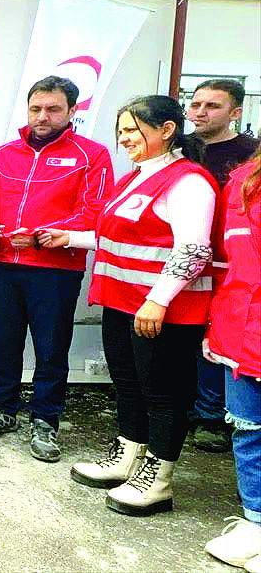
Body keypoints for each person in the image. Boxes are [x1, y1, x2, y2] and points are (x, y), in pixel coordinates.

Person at [42, 95, 216, 516]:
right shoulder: (135, 177)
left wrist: (157, 301)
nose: (124, 139)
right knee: (129, 384)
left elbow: (194, 250)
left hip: (162, 310)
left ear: (167, 130)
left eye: (132, 130)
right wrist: (72, 239)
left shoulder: (188, 181)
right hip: (122, 303)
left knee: (161, 392)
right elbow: (117, 233)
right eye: (120, 131)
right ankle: (129, 456)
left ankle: (158, 478)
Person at [0, 75, 114, 463]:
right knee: (5, 341)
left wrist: (44, 235)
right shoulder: (3, 154)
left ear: (72, 111)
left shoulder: (92, 155)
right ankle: (3, 409)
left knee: (50, 347)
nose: (42, 116)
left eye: (52, 109)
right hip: (2, 262)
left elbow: (95, 212)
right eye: (36, 108)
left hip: (55, 268)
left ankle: (45, 419)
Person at [187, 78, 259, 454]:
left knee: (216, 343)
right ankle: (179, 408)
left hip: (231, 266)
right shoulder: (179, 147)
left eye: (212, 106)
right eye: (196, 104)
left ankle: (211, 417)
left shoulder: (251, 155)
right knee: (183, 337)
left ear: (235, 112)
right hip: (184, 259)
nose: (201, 112)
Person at [202, 144, 261, 570]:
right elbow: (228, 262)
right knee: (248, 432)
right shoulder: (241, 182)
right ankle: (255, 521)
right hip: (239, 328)